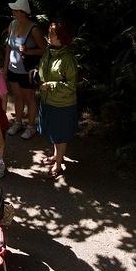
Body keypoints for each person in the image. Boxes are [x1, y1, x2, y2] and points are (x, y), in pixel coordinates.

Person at [37, 21, 78, 178]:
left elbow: (71, 86)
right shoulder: (49, 51)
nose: (49, 36)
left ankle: (59, 164)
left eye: (52, 34)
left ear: (61, 38)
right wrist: (37, 75)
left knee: (60, 135)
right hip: (48, 101)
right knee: (54, 133)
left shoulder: (68, 59)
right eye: (50, 33)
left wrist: (51, 85)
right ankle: (56, 156)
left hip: (62, 105)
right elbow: (43, 69)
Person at [3, 0, 47, 139]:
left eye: (15, 10)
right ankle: (18, 122)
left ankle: (31, 126)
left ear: (23, 12)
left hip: (27, 71)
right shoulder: (12, 25)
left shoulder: (34, 29)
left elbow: (44, 50)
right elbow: (9, 47)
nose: (13, 12)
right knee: (17, 96)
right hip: (13, 68)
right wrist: (5, 67)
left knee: (29, 98)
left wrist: (28, 51)